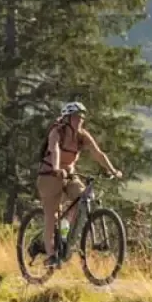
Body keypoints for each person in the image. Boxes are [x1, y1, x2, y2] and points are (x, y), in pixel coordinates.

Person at [33, 101, 122, 266]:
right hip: (49, 174)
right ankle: (51, 254)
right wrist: (56, 168)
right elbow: (55, 150)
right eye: (75, 117)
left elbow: (98, 153)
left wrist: (112, 170)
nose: (79, 120)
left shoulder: (82, 135)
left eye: (81, 117)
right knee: (51, 215)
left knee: (84, 198)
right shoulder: (57, 131)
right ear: (66, 118)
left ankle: (66, 232)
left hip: (69, 174)